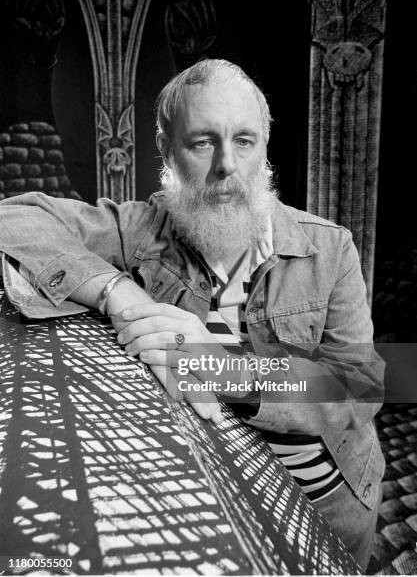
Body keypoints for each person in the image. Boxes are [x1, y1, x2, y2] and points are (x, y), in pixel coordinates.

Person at [0, 59, 384, 570]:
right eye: (203, 141)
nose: (227, 164)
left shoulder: (331, 248)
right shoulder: (137, 229)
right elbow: (14, 218)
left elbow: (362, 382)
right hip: (217, 492)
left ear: (264, 147)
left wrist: (226, 364)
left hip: (331, 500)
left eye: (244, 140)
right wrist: (120, 292)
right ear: (167, 152)